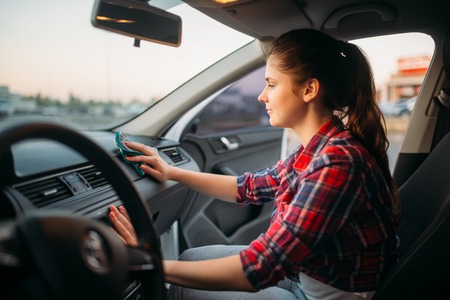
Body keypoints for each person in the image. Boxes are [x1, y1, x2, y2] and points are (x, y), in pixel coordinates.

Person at [109, 28, 401, 300]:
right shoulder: (317, 149)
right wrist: (172, 172)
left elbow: (261, 266)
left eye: (271, 84)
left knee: (182, 289)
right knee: (187, 261)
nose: (263, 96)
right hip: (306, 275)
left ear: (309, 90)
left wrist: (150, 263)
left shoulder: (338, 162)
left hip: (322, 294)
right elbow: (249, 187)